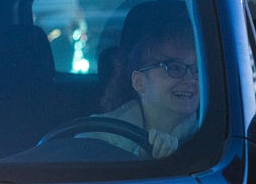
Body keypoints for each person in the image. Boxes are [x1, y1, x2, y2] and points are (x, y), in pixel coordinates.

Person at [82, 15, 200, 159]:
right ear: (139, 81)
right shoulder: (95, 136)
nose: (190, 79)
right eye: (174, 67)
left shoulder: (220, 143)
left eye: (197, 69)